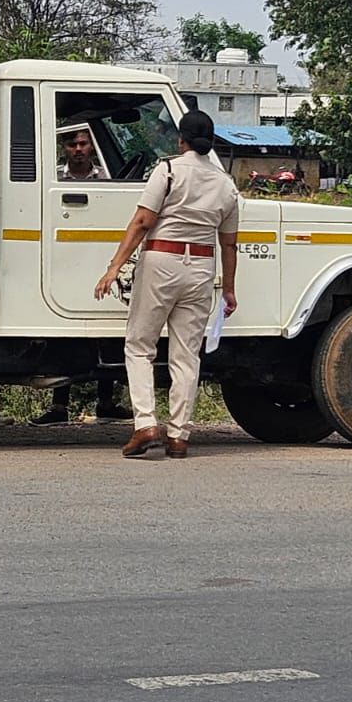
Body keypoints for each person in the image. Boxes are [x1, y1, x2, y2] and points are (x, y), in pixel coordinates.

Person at [95, 109, 240, 459]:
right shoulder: (226, 184)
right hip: (202, 266)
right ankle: (179, 435)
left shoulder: (169, 169)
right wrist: (230, 289)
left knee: (140, 345)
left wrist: (114, 266)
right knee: (187, 355)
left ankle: (145, 424)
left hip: (162, 259)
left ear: (181, 140)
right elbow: (229, 243)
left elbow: (143, 220)